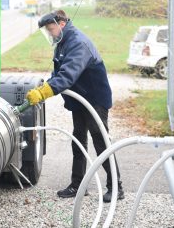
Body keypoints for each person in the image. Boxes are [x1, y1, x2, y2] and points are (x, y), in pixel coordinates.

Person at [26, 10, 124, 202]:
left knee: (101, 142)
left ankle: (116, 187)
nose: (50, 34)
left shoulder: (78, 43)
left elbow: (67, 75)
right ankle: (78, 185)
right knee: (78, 139)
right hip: (80, 100)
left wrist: (45, 92)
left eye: (51, 29)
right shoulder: (63, 43)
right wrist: (44, 87)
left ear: (61, 24)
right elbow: (58, 73)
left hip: (94, 100)